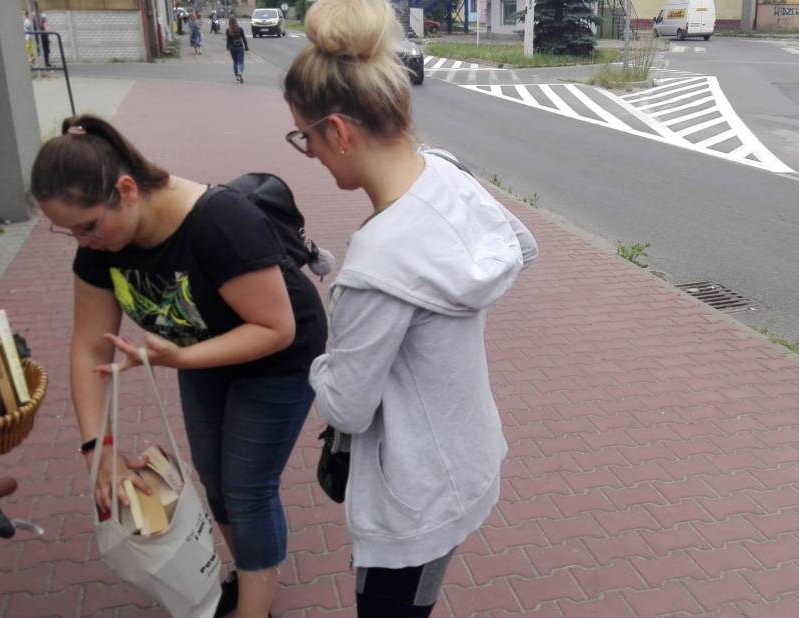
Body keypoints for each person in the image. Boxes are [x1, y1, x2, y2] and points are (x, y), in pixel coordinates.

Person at [284, 0, 538, 615]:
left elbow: (346, 405)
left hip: (411, 495)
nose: (310, 153)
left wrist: (314, 358)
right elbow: (521, 247)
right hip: (466, 453)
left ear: (339, 132)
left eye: (306, 139)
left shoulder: (374, 268)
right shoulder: (445, 173)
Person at [29, 115, 328, 618]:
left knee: (247, 488)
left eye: (87, 226)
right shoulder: (102, 245)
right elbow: (88, 350)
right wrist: (99, 449)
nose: (83, 241)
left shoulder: (219, 221)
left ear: (126, 191)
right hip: (201, 351)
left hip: (278, 355)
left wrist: (182, 357)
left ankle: (255, 607)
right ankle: (250, 574)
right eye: (69, 231)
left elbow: (276, 328)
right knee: (214, 478)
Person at [225, 16, 248, 83]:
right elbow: (244, 38)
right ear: (236, 21)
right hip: (240, 47)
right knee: (241, 62)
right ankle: (240, 72)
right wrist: (246, 47)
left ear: (229, 22)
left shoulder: (228, 30)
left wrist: (227, 49)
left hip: (232, 48)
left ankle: (237, 77)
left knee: (235, 62)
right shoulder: (240, 29)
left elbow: (228, 40)